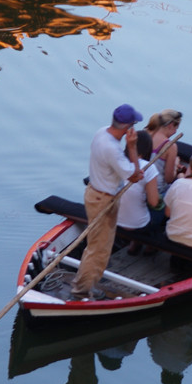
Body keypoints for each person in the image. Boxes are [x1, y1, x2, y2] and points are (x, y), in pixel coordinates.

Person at [72, 104, 144, 300]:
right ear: (128, 127)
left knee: (96, 245)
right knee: (99, 249)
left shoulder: (101, 132)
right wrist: (132, 146)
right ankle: (83, 289)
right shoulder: (113, 149)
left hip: (94, 194)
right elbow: (135, 176)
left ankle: (85, 284)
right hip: (104, 200)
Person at [116, 129, 164, 250]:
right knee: (164, 211)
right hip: (137, 224)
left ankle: (135, 245)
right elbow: (154, 202)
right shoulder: (148, 167)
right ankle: (151, 246)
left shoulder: (117, 161)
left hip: (115, 220)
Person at [145, 109, 182, 194]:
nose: (175, 132)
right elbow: (169, 179)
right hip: (157, 190)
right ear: (171, 125)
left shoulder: (146, 135)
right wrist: (175, 164)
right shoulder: (170, 146)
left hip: (141, 186)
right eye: (176, 128)